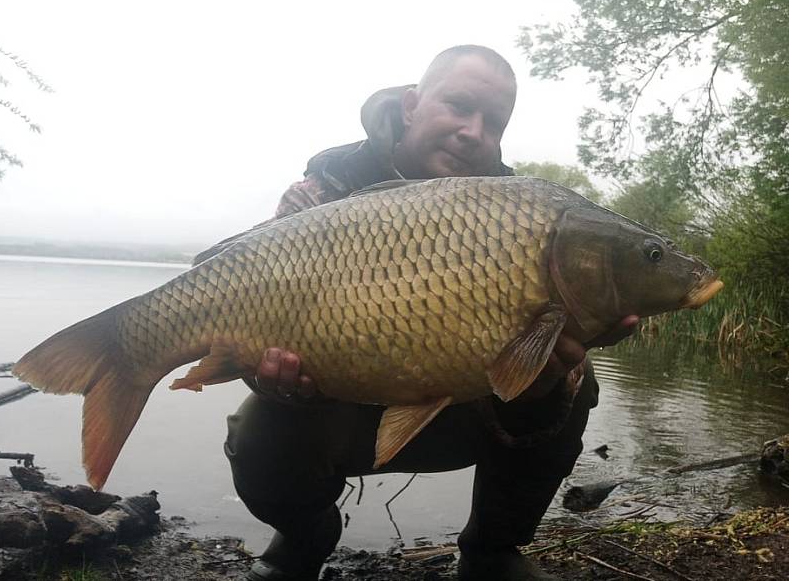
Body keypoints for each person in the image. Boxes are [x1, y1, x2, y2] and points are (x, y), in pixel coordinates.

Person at [209, 45, 638, 581]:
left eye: (494, 122)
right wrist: (274, 378)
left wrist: (538, 382)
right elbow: (256, 314)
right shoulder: (321, 194)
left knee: (573, 380)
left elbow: (543, 373)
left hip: (464, 407)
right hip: (340, 405)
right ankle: (303, 538)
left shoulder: (517, 214)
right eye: (459, 106)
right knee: (260, 424)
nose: (473, 131)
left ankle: (493, 550)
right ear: (411, 105)